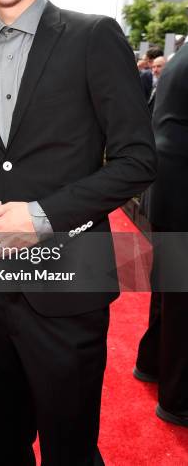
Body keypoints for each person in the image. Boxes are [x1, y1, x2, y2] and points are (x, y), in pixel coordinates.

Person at [0, 0, 157, 465]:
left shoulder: (94, 36)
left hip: (68, 284)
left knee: (71, 451)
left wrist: (40, 216)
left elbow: (138, 161)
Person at [134, 43, 188, 427]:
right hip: (182, 187)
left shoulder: (181, 55)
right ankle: (179, 398)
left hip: (169, 186)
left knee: (169, 289)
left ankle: (150, 363)